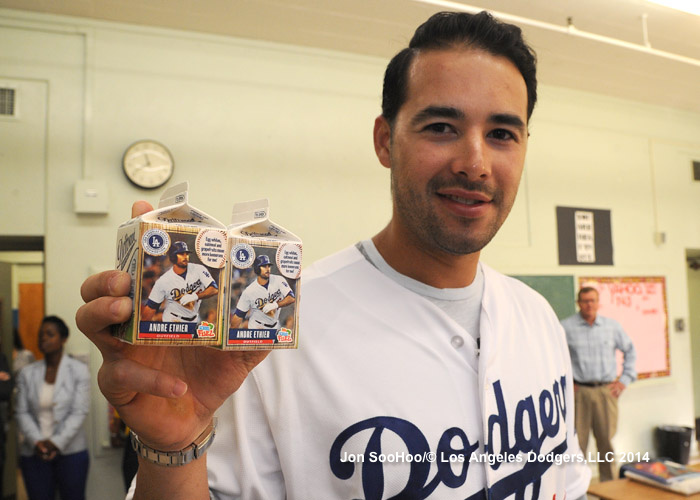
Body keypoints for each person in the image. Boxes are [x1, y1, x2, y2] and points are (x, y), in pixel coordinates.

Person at [76, 11, 591, 499]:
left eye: (502, 133)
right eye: (441, 127)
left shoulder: (538, 318)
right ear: (385, 141)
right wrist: (173, 447)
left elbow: (565, 480)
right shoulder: (273, 332)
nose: (476, 163)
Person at [561, 287, 636, 482]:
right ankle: (579, 489)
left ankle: (609, 488)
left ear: (598, 302)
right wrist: (567, 384)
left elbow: (630, 350)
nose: (589, 305)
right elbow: (554, 357)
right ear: (578, 303)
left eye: (593, 300)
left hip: (606, 392)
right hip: (580, 394)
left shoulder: (612, 327)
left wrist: (624, 380)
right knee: (578, 444)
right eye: (585, 301)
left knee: (606, 443)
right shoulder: (565, 327)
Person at [16, 316, 90, 500]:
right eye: (41, 335)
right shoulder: (27, 373)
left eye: (50, 334)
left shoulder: (78, 370)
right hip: (34, 453)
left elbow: (79, 411)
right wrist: (38, 442)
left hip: (71, 453)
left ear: (63, 339)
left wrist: (55, 442)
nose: (43, 338)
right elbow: (21, 412)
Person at [142, 240, 219, 324]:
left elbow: (214, 289)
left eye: (187, 254)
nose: (185, 257)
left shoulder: (199, 269)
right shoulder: (163, 280)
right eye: (182, 254)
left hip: (194, 319)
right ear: (173, 257)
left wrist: (195, 296)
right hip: (173, 319)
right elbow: (150, 308)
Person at [230, 255, 296, 331]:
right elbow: (238, 315)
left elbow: (291, 298)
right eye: (264, 266)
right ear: (257, 269)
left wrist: (275, 305)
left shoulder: (278, 280)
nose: (267, 269)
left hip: (275, 325)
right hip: (257, 327)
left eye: (269, 266)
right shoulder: (249, 291)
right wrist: (232, 334)